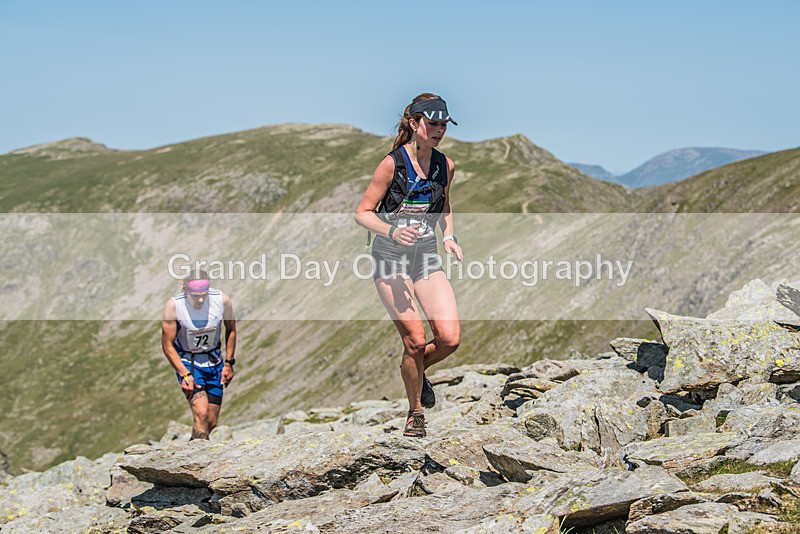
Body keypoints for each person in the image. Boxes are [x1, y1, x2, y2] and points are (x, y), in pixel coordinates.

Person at [355, 93, 463, 438]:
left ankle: (416, 371)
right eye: (432, 124)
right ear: (414, 123)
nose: (439, 131)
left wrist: (449, 236)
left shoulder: (446, 165)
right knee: (415, 340)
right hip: (389, 257)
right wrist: (390, 230)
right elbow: (362, 213)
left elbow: (444, 205)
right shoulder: (392, 164)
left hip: (426, 255)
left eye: (443, 125)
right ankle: (415, 412)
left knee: (449, 338)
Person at [161, 269, 237, 440]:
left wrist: (229, 363)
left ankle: (193, 449)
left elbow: (231, 330)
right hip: (190, 363)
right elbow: (167, 345)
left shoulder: (222, 300)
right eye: (195, 296)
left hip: (215, 363)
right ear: (186, 291)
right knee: (201, 413)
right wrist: (184, 373)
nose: (201, 299)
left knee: (211, 421)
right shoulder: (174, 306)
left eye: (204, 295)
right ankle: (200, 462)